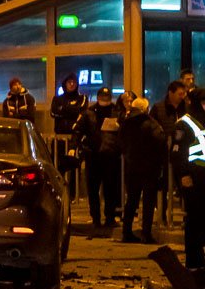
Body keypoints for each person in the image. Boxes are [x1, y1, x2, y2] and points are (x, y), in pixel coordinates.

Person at [75, 87, 122, 231]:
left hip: (110, 155)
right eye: (103, 96)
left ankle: (109, 217)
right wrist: (79, 146)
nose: (105, 99)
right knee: (93, 189)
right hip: (94, 155)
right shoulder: (89, 113)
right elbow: (78, 130)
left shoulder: (116, 111)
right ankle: (96, 218)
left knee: (110, 188)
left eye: (107, 97)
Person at [119, 97, 164, 244]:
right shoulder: (151, 123)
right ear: (145, 108)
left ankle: (126, 232)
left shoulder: (126, 123)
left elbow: (122, 142)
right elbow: (159, 142)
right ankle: (146, 233)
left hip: (132, 165)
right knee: (148, 201)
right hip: (149, 166)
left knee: (131, 200)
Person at [171, 88, 205, 267]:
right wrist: (183, 175)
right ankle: (194, 260)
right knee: (194, 218)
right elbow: (177, 153)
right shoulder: (184, 123)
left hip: (203, 176)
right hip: (193, 177)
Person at [152, 80, 188, 223]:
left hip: (182, 153)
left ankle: (186, 217)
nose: (182, 96)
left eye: (184, 93)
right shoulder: (159, 108)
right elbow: (152, 127)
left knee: (184, 186)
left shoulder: (186, 108)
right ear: (171, 93)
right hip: (163, 153)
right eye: (180, 94)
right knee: (163, 186)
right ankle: (162, 215)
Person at [50, 74, 88, 198]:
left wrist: (64, 110)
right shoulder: (57, 99)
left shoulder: (82, 98)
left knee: (74, 167)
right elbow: (54, 112)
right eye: (69, 82)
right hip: (60, 138)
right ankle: (58, 193)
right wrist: (71, 110)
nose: (71, 84)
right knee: (58, 166)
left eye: (74, 82)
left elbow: (81, 111)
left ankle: (73, 195)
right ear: (65, 84)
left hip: (75, 138)